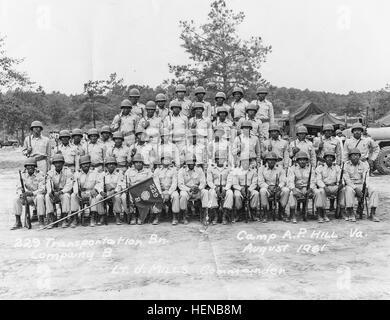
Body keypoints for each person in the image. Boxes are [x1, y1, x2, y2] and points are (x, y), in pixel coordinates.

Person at [343, 148, 379, 222]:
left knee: (374, 190)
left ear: (359, 156)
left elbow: (366, 177)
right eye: (353, 155)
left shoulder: (364, 165)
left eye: (357, 155)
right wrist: (355, 188)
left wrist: (365, 187)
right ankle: (351, 212)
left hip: (362, 184)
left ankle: (372, 213)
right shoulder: (346, 165)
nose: (355, 157)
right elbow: (347, 180)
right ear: (350, 157)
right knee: (348, 190)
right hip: (351, 185)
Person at [12, 158, 46, 229]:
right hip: (26, 196)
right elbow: (18, 187)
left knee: (40, 197)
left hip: (36, 195)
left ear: (35, 166)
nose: (30, 168)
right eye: (28, 166)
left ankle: (41, 220)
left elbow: (42, 189)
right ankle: (18, 221)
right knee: (16, 199)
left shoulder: (40, 174)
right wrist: (22, 194)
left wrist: (32, 193)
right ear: (25, 167)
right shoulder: (22, 175)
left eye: (32, 166)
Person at [71, 155, 104, 227]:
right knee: (73, 196)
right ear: (80, 165)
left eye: (87, 163)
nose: (85, 165)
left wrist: (95, 189)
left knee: (94, 196)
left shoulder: (95, 172)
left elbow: (99, 182)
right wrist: (78, 193)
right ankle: (75, 217)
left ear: (90, 164)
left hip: (91, 191)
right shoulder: (77, 173)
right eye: (83, 164)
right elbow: (75, 184)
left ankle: (93, 217)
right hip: (82, 192)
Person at [258, 152, 290, 222]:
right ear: (266, 161)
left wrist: (279, 186)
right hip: (267, 189)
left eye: (273, 160)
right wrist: (268, 187)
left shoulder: (280, 168)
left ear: (276, 161)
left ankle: (281, 212)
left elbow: (283, 180)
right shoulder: (261, 169)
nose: (271, 161)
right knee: (262, 191)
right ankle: (265, 213)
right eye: (269, 160)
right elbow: (260, 182)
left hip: (277, 188)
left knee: (286, 190)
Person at [315, 151, 346, 222]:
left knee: (343, 190)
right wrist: (324, 187)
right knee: (321, 191)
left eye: (331, 157)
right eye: (327, 157)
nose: (329, 159)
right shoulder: (320, 168)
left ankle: (341, 210)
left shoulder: (337, 168)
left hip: (334, 186)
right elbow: (318, 180)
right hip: (324, 186)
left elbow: (340, 178)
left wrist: (340, 185)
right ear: (325, 159)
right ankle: (322, 212)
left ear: (333, 159)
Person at [123, 153, 153, 225]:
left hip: (144, 190)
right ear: (133, 163)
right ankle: (132, 215)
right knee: (124, 197)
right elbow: (125, 182)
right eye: (136, 162)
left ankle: (141, 216)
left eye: (140, 162)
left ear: (143, 163)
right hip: (132, 190)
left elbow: (151, 182)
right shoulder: (129, 171)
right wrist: (127, 188)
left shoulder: (148, 171)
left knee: (146, 196)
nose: (138, 164)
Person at [177, 156, 208, 224]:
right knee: (183, 195)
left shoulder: (199, 169)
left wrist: (199, 188)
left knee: (205, 192)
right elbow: (180, 184)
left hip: (197, 190)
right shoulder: (182, 170)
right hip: (187, 190)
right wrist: (189, 189)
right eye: (189, 162)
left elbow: (203, 182)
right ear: (186, 163)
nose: (191, 164)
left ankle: (204, 215)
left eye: (193, 162)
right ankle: (184, 215)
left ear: (195, 162)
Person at [45, 154, 74, 228]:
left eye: (60, 162)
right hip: (54, 192)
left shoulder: (68, 171)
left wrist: (61, 192)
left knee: (66, 196)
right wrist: (50, 192)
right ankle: (51, 217)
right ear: (53, 164)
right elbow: (48, 183)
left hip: (63, 192)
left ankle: (64, 217)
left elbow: (69, 185)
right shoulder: (50, 173)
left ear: (63, 163)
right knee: (47, 196)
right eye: (56, 163)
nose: (58, 164)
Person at [287, 151, 316, 223]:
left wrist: (311, 188)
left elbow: (313, 180)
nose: (302, 161)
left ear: (307, 161)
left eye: (304, 160)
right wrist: (293, 189)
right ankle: (293, 214)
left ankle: (319, 212)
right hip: (297, 188)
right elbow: (290, 180)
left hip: (307, 188)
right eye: (300, 160)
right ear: (297, 161)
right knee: (291, 194)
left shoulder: (311, 169)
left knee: (317, 192)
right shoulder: (292, 168)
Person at [229, 155, 260, 222]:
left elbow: (254, 183)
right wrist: (240, 189)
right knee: (237, 195)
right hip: (240, 188)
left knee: (256, 193)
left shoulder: (253, 171)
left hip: (250, 188)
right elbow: (235, 183)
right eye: (243, 161)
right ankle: (238, 213)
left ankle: (253, 212)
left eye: (247, 161)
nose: (245, 163)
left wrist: (250, 189)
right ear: (241, 162)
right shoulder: (237, 171)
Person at [153, 154, 180, 225]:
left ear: (170, 161)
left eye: (168, 159)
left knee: (176, 196)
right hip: (161, 190)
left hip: (171, 190)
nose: (166, 161)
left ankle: (175, 217)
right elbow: (156, 183)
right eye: (164, 159)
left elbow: (174, 183)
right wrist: (161, 193)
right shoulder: (157, 170)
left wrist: (169, 192)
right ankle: (157, 217)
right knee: (156, 195)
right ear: (161, 161)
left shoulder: (174, 170)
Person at [97, 156, 124, 225]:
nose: (111, 165)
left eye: (113, 164)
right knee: (98, 197)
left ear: (115, 165)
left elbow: (120, 185)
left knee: (117, 197)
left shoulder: (119, 174)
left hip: (115, 192)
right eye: (109, 164)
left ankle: (117, 216)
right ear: (106, 166)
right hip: (106, 193)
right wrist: (101, 192)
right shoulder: (102, 174)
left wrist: (114, 192)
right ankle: (102, 215)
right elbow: (99, 185)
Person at [207, 153, 232, 225]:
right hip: (215, 187)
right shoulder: (211, 168)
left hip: (225, 187)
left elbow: (230, 180)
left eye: (222, 159)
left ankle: (224, 215)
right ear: (215, 160)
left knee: (230, 193)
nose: (220, 161)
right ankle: (215, 216)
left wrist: (226, 189)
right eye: (218, 159)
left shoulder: (228, 168)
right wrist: (215, 188)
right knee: (211, 193)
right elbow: (209, 181)